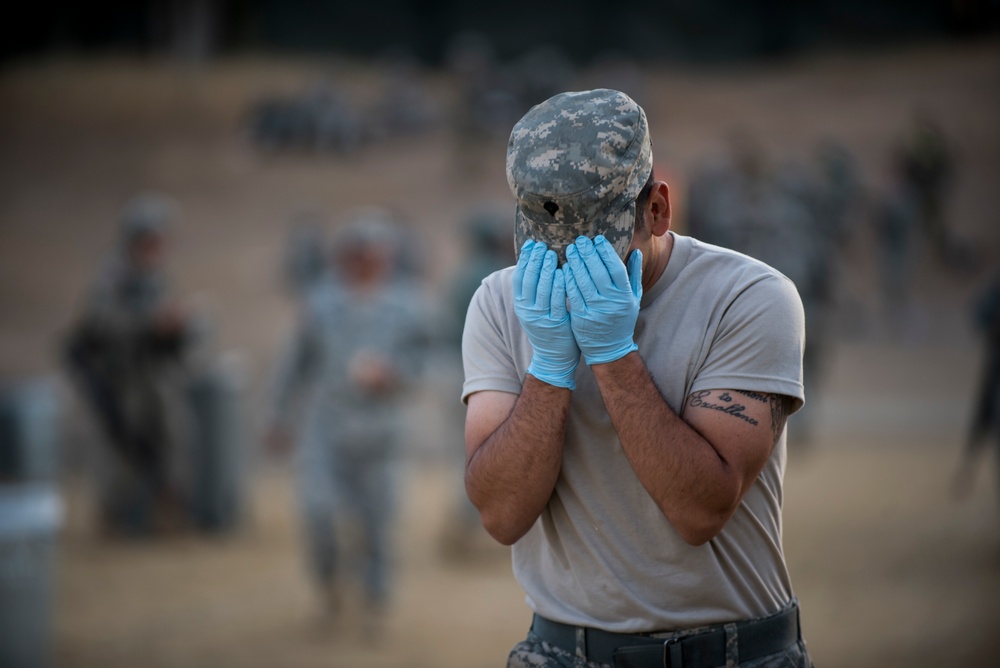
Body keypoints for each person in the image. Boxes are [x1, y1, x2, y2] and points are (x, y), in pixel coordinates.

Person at [462, 89, 812, 668]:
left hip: (727, 652)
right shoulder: (503, 301)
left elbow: (698, 511)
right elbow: (500, 516)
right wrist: (549, 371)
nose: (571, 259)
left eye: (595, 237)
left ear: (657, 210)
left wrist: (612, 355)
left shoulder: (749, 298)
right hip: (562, 651)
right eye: (551, 240)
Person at [266, 209, 434, 631]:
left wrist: (394, 374)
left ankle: (374, 605)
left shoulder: (408, 306)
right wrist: (278, 417)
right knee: (319, 514)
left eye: (375, 254)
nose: (367, 262)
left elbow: (428, 361)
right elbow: (294, 364)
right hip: (326, 428)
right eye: (358, 254)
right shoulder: (320, 304)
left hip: (380, 433)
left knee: (378, 524)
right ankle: (329, 593)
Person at [63, 193, 204, 535]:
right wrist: (148, 323)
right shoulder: (114, 275)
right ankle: (114, 517)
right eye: (151, 238)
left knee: (171, 438)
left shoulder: (157, 274)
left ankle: (168, 511)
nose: (157, 245)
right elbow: (100, 322)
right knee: (119, 447)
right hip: (118, 377)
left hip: (153, 375)